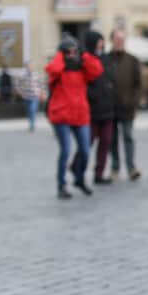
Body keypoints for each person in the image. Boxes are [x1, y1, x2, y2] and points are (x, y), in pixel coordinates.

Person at [46, 33, 103, 199]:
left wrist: (83, 53)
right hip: (61, 114)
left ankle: (79, 177)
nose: (72, 55)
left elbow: (97, 69)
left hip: (80, 114)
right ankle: (61, 185)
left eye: (74, 51)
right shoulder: (59, 70)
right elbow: (53, 69)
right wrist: (60, 54)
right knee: (65, 150)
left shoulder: (81, 69)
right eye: (68, 52)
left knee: (85, 150)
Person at [106, 29, 142, 181]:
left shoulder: (132, 60)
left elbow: (138, 84)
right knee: (112, 139)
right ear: (112, 41)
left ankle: (131, 167)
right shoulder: (105, 59)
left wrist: (134, 102)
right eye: (117, 39)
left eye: (122, 39)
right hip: (110, 108)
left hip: (127, 107)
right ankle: (115, 168)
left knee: (128, 136)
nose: (120, 42)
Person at [85, 31, 117, 185]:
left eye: (102, 41)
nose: (101, 44)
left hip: (107, 109)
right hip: (92, 110)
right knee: (88, 142)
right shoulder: (86, 59)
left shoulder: (106, 59)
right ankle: (78, 168)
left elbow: (111, 79)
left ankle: (99, 172)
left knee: (106, 141)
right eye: (99, 41)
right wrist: (93, 95)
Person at [17, 61, 45, 131]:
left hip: (35, 96)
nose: (30, 67)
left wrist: (42, 93)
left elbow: (41, 85)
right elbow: (18, 85)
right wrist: (21, 92)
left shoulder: (37, 75)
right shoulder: (23, 76)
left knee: (32, 109)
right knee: (29, 111)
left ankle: (32, 124)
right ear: (26, 67)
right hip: (26, 96)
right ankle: (31, 122)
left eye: (31, 66)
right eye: (28, 66)